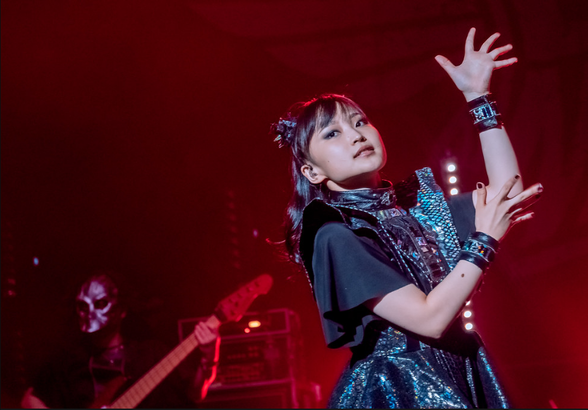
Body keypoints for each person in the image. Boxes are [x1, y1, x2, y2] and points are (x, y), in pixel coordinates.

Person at [270, 27, 543, 408]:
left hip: (458, 368)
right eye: (332, 134)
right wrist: (483, 242)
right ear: (312, 172)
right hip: (399, 387)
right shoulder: (334, 234)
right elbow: (429, 320)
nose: (356, 135)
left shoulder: (412, 209)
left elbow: (509, 194)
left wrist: (477, 96)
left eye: (360, 122)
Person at [20, 270, 221, 408]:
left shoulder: (151, 353)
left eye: (100, 304)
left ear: (122, 311)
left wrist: (209, 357)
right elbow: (29, 400)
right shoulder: (67, 362)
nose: (90, 313)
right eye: (82, 306)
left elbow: (195, 394)